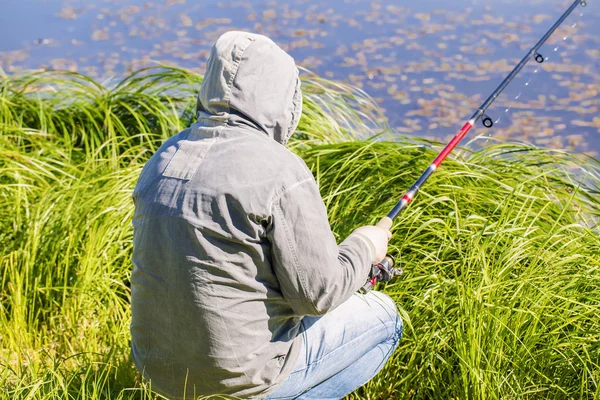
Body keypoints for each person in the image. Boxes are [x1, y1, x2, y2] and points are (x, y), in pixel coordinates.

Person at [130, 31, 402, 400]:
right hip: (238, 381)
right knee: (385, 318)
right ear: (281, 96)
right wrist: (365, 245)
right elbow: (318, 296)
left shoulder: (164, 157)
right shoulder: (280, 170)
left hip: (157, 372)